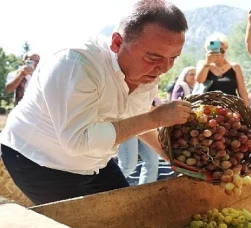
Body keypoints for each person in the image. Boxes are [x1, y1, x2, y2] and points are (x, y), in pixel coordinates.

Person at [0, 0, 191, 205]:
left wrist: (168, 154)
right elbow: (79, 141)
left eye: (174, 58)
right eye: (153, 57)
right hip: (39, 160)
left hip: (94, 161)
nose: (164, 68)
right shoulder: (75, 63)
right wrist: (155, 118)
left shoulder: (145, 74)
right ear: (117, 43)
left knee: (126, 214)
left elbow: (136, 120)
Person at [195, 33, 250, 106]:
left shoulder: (235, 66)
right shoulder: (203, 64)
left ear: (226, 49)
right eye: (215, 50)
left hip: (231, 108)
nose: (219, 53)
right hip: (208, 108)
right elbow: (200, 80)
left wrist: (247, 109)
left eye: (222, 50)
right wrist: (208, 62)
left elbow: (242, 90)